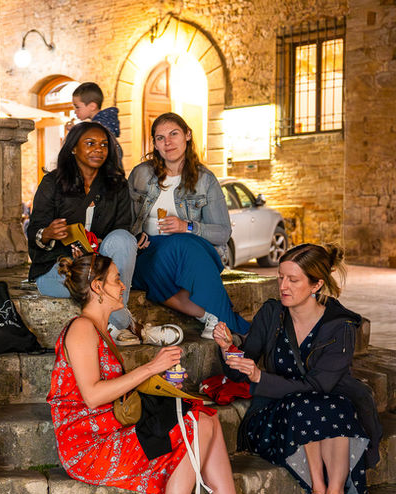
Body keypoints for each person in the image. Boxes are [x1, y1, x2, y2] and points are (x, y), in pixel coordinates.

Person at [48, 251, 292, 494]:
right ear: (97, 287)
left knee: (208, 418)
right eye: (116, 279)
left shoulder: (99, 330)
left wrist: (161, 382)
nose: (123, 285)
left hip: (108, 428)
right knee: (197, 423)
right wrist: (150, 368)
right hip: (88, 444)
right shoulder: (82, 327)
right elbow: (93, 395)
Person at [213, 244, 381, 494]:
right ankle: (318, 490)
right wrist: (228, 348)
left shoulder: (341, 326)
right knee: (307, 405)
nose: (283, 286)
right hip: (277, 415)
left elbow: (318, 385)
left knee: (327, 404)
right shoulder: (271, 314)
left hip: (327, 408)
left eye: (293, 280)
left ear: (316, 284)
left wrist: (260, 378)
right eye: (280, 277)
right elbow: (244, 370)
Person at [28, 121, 164, 346]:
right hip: (58, 269)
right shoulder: (52, 182)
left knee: (123, 239)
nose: (98, 149)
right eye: (90, 143)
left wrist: (99, 244)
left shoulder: (116, 185)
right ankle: (128, 326)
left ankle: (115, 327)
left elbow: (122, 228)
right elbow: (35, 233)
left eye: (103, 145)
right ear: (73, 148)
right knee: (95, 281)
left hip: (101, 264)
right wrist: (49, 233)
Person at [128, 112, 249, 339]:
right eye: (160, 138)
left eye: (174, 134)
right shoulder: (141, 175)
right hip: (148, 253)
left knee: (182, 244)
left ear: (187, 135)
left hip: (191, 257)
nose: (168, 142)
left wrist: (187, 227)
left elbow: (223, 232)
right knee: (157, 260)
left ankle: (220, 321)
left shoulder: (205, 179)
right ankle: (219, 320)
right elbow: (124, 218)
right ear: (154, 144)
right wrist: (135, 236)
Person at [71, 82, 122, 161]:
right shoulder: (105, 123)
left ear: (92, 106)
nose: (75, 111)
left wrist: (74, 133)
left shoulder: (98, 127)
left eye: (77, 107)